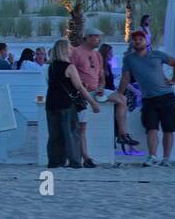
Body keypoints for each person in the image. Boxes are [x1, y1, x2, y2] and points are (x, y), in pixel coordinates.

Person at [69, 28, 135, 164]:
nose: (98, 40)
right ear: (87, 38)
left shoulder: (97, 55)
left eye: (99, 37)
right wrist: (81, 85)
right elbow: (71, 74)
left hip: (97, 90)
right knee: (82, 127)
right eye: (95, 37)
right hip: (82, 92)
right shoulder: (76, 53)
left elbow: (101, 76)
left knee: (122, 99)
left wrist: (101, 86)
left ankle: (123, 134)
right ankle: (85, 157)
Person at [118, 29, 175, 167]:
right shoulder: (129, 59)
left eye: (140, 39)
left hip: (167, 97)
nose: (137, 41)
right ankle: (152, 156)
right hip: (148, 99)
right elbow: (125, 78)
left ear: (146, 41)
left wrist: (174, 79)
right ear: (132, 42)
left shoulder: (157, 55)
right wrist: (119, 95)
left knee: (168, 129)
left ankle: (166, 159)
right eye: (135, 39)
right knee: (151, 128)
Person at [46, 39, 100, 169]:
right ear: (64, 50)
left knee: (54, 135)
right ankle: (75, 161)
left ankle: (55, 161)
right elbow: (80, 88)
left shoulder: (51, 67)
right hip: (66, 104)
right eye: (70, 48)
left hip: (51, 103)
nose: (72, 50)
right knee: (71, 133)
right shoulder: (69, 67)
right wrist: (93, 103)